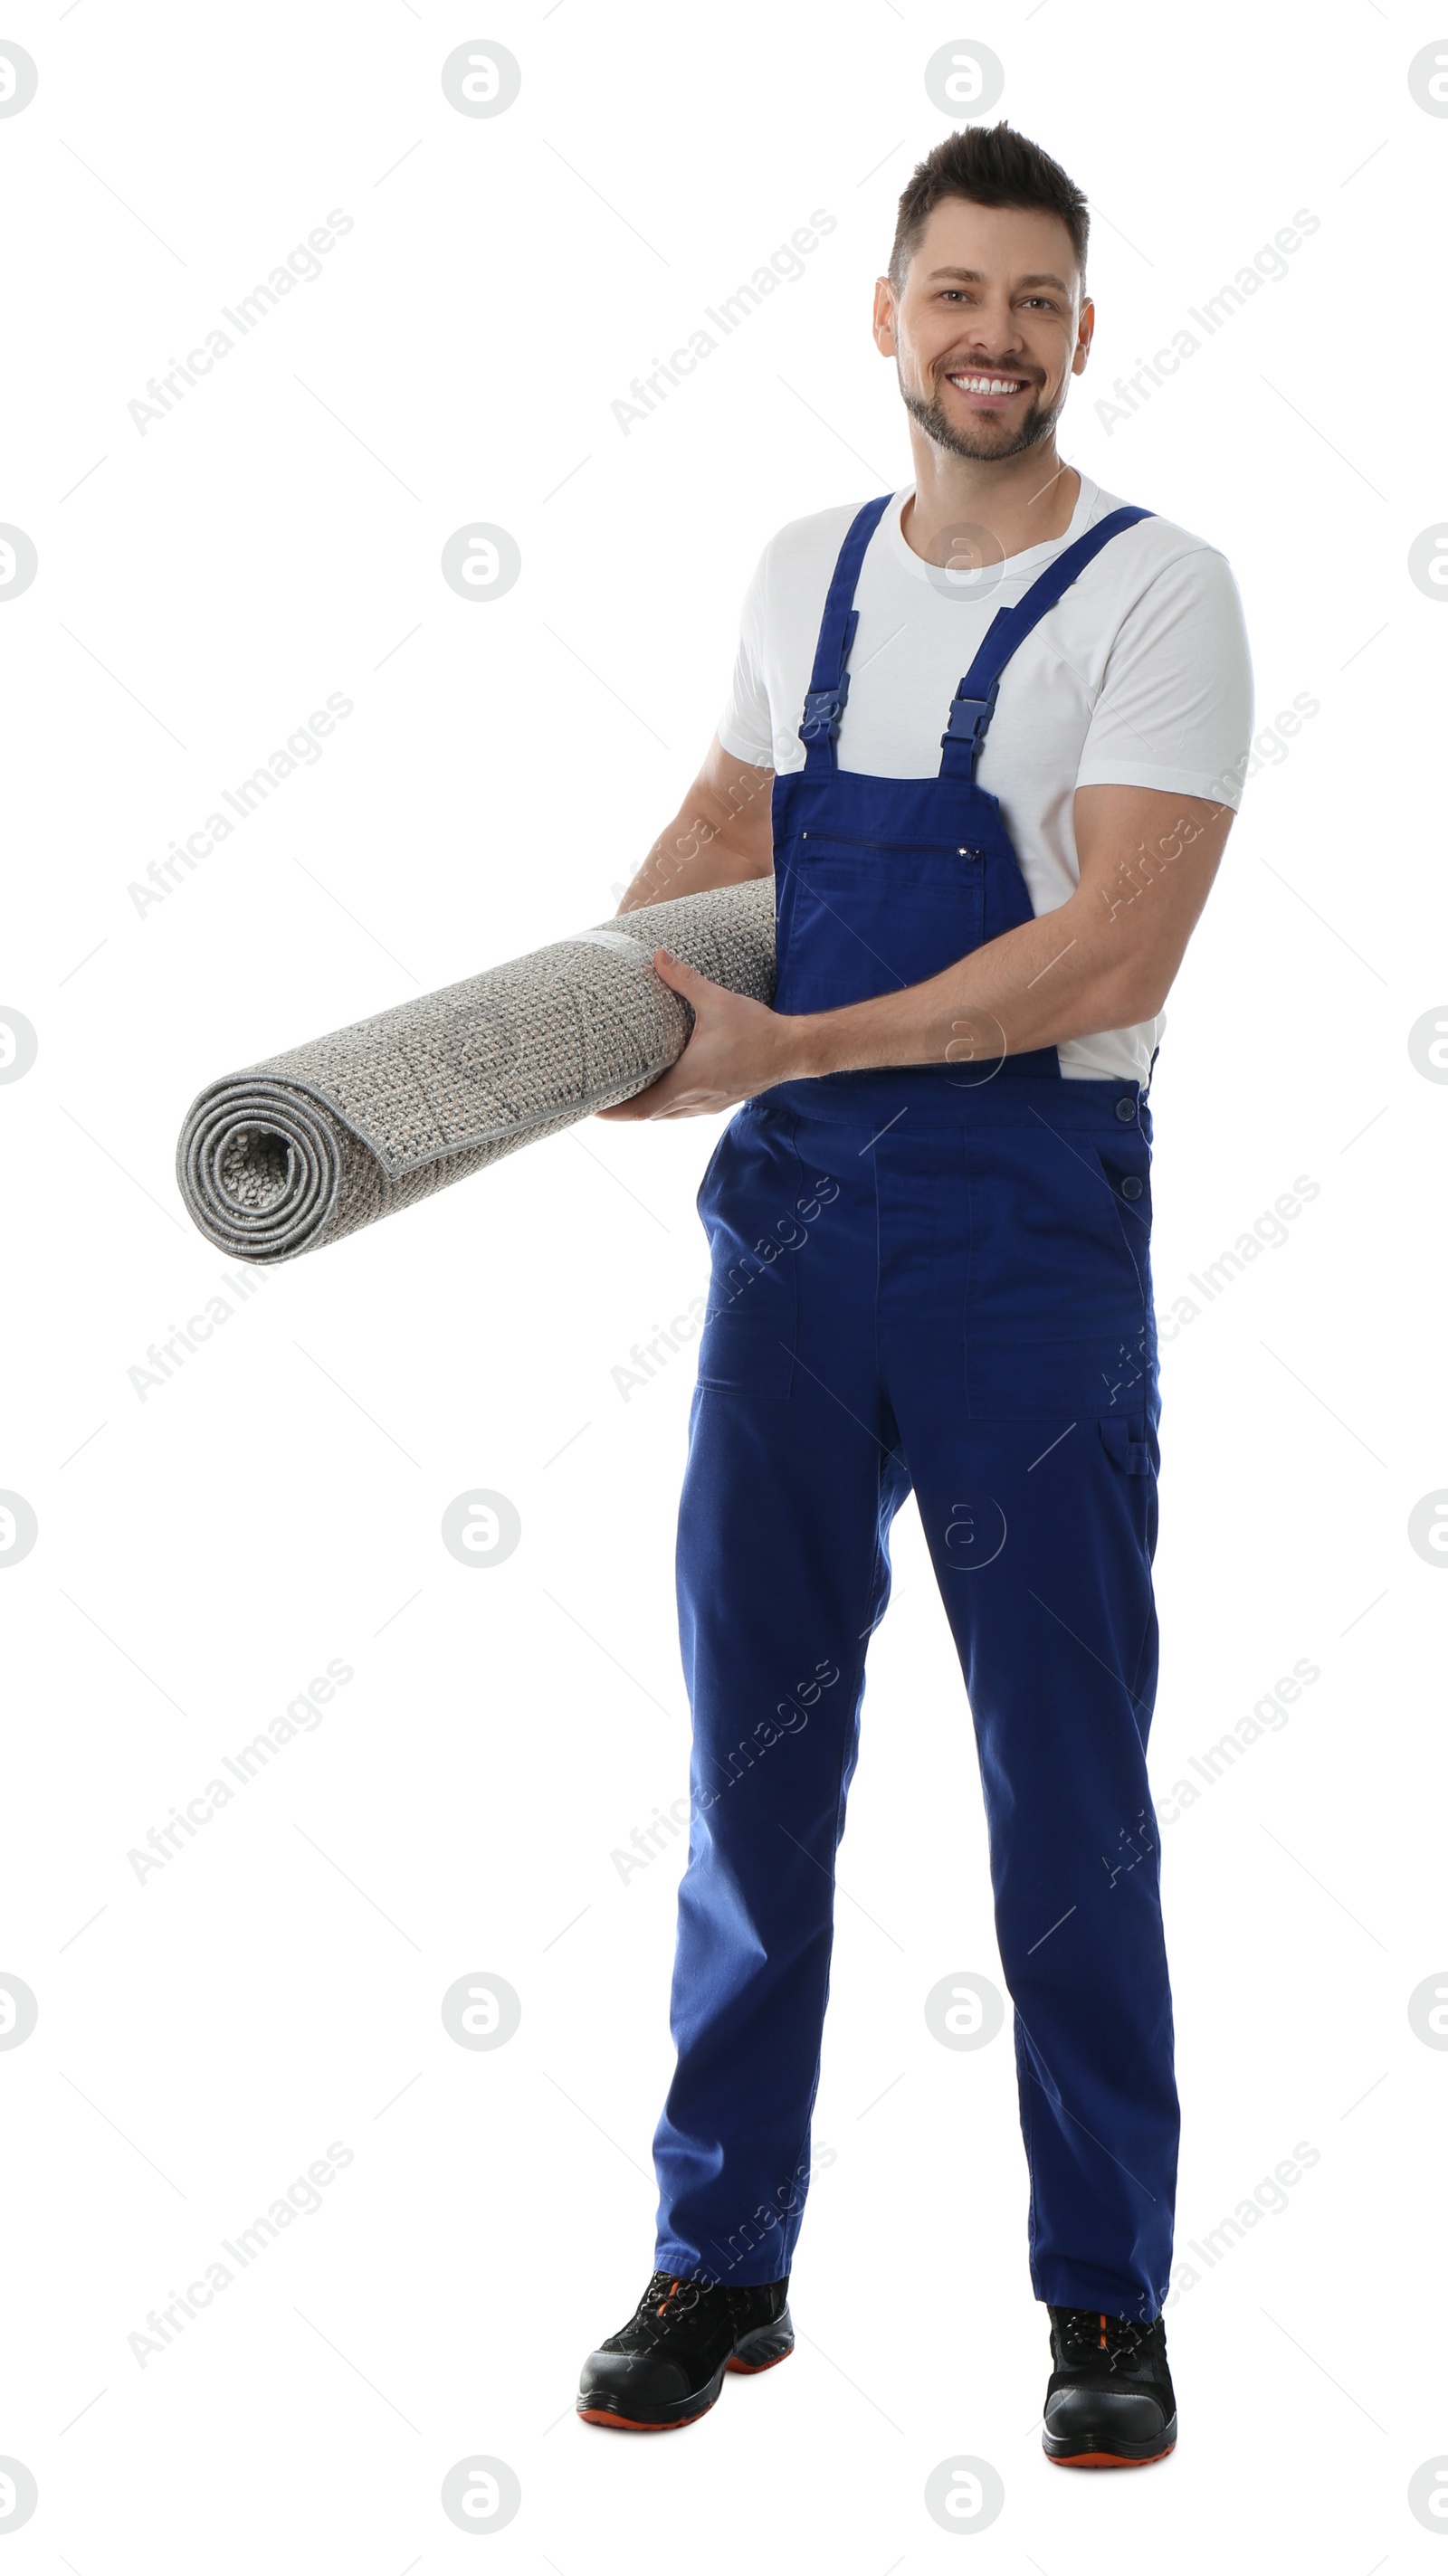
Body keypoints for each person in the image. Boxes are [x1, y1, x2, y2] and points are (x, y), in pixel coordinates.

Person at [574, 120, 1252, 2465]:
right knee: (752, 1766)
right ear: (888, 316)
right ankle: (717, 2252)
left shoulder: (1164, 598)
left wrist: (793, 1040)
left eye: (1037, 303)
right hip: (790, 1244)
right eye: (956, 294)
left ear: (1083, 329)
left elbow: (1113, 940)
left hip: (1022, 1245)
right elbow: (723, 841)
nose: (995, 338)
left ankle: (1106, 2299)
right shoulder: (806, 574)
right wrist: (576, 1006)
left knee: (1062, 1783)